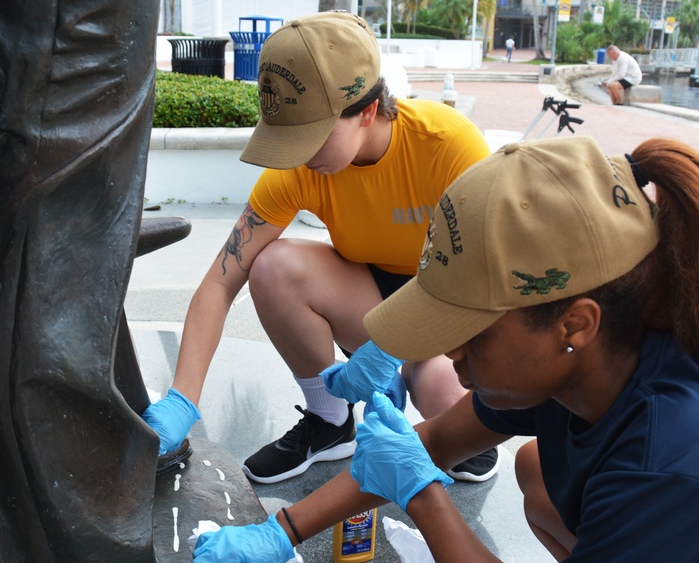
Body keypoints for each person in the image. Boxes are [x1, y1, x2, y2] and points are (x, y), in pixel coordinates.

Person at [191, 136, 699, 563]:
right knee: (539, 470)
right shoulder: (601, 358)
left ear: (574, 323)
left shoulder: (679, 457)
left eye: (469, 332)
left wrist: (427, 500)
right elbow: (433, 440)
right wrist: (282, 533)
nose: (451, 351)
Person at [142, 11, 497, 484]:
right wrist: (182, 399)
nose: (299, 156)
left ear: (367, 111)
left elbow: (491, 282)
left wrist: (393, 350)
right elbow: (220, 283)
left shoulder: (448, 147)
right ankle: (331, 422)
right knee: (271, 266)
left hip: (451, 309)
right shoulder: (299, 168)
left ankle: (426, 395)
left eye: (311, 136)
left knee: (446, 404)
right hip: (368, 298)